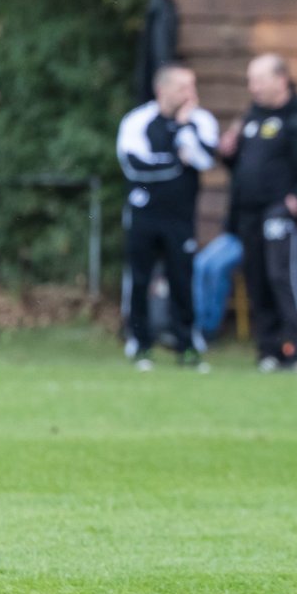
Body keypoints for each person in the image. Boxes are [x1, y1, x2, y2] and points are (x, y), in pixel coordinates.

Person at [226, 54, 297, 373]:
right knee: (257, 280)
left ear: (281, 80)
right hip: (249, 216)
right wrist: (229, 154)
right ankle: (269, 351)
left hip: (284, 215)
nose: (252, 87)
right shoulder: (252, 117)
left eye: (258, 80)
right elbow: (247, 168)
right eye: (250, 80)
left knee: (283, 278)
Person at [116, 62, 218, 371]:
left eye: (193, 86)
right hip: (144, 215)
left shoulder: (200, 120)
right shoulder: (138, 120)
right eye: (183, 87)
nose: (191, 94)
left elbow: (204, 159)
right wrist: (177, 162)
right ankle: (140, 343)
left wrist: (185, 130)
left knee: (182, 280)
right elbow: (136, 167)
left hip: (181, 217)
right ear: (163, 90)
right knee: (140, 279)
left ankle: (187, 346)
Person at [191, 121, 247, 340]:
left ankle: (208, 328)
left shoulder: (264, 165)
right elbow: (225, 157)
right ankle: (195, 323)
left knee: (216, 268)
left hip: (251, 238)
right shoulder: (240, 163)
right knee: (200, 264)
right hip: (232, 236)